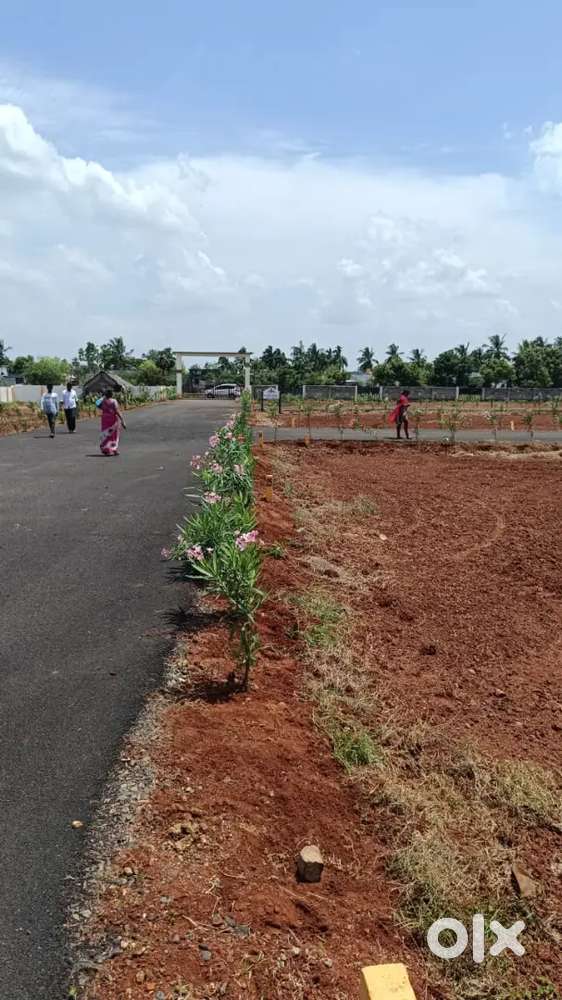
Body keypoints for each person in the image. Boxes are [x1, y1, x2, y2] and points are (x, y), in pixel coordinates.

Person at [98, 388, 126, 455]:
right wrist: (122, 420)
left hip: (105, 419)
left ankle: (108, 449)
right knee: (114, 435)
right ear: (111, 394)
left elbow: (98, 404)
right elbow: (117, 411)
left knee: (106, 434)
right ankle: (112, 449)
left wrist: (103, 398)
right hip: (113, 420)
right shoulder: (114, 401)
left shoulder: (103, 401)